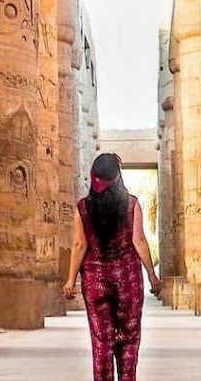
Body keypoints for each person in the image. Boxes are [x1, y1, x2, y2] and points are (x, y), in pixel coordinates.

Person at [63, 153, 162, 381]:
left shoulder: (83, 208)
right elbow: (138, 241)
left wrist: (70, 280)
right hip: (128, 281)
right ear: (118, 177)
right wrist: (152, 275)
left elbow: (80, 244)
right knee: (128, 341)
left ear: (94, 176)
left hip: (94, 282)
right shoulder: (131, 204)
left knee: (101, 343)